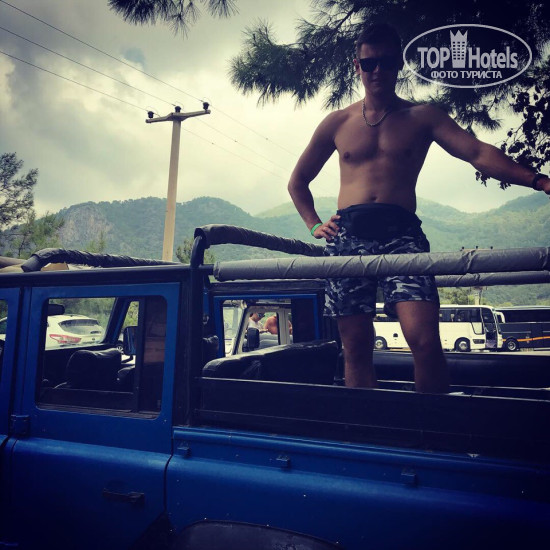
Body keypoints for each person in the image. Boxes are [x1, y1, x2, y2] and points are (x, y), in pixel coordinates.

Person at [288, 23, 550, 393]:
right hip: (348, 237)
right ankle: (368, 424)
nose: (378, 70)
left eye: (386, 62)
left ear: (400, 64)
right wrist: (315, 225)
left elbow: (477, 152)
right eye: (369, 63)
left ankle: (432, 424)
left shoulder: (422, 117)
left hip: (402, 236)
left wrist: (539, 181)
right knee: (356, 347)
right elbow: (298, 181)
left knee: (425, 342)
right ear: (356, 66)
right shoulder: (338, 122)